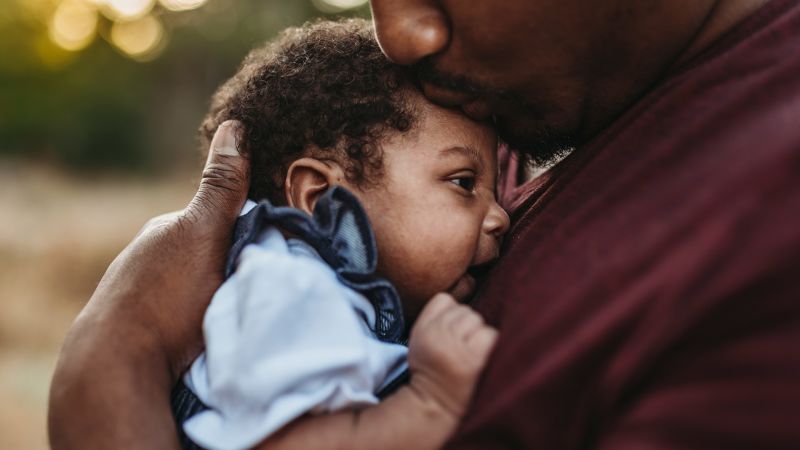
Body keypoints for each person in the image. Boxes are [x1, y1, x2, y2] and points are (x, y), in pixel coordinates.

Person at [49, 0, 800, 449]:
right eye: (466, 183)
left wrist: (109, 365)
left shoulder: (763, 243)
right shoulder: (520, 116)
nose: (400, 35)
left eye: (473, 182)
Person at [170, 19, 506, 450]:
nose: (499, 217)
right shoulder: (292, 293)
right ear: (321, 198)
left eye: (495, 192)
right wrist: (432, 402)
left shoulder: (329, 293)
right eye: (463, 183)